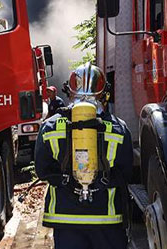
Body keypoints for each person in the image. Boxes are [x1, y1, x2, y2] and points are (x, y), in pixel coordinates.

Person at [34, 63, 133, 249]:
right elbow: (126, 173)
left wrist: (67, 181)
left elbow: (42, 170)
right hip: (107, 219)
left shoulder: (50, 127)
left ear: (69, 91)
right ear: (104, 93)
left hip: (65, 218)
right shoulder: (119, 129)